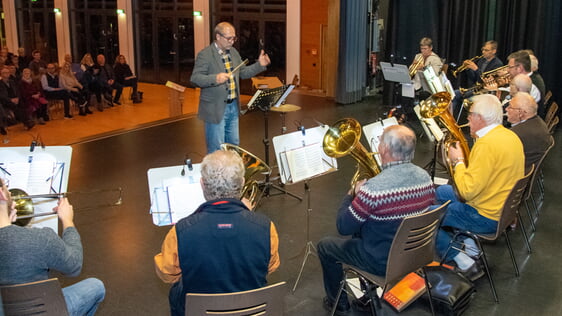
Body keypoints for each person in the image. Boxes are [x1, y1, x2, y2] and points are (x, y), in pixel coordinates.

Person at [317, 125, 436, 314]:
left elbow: (343, 226)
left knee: (325, 246)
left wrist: (351, 194)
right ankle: (367, 295)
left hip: (382, 261)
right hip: (416, 255)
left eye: (380, 142)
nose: (378, 146)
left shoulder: (373, 190)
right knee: (369, 225)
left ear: (385, 150)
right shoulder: (426, 178)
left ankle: (338, 306)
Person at [154, 149, 280, 316]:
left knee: (176, 292)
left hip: (201, 310)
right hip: (249, 308)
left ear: (202, 184)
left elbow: (167, 273)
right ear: (242, 182)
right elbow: (270, 267)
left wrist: (188, 227)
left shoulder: (180, 231)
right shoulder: (266, 226)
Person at [435, 94, 525, 279]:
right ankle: (468, 243)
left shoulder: (486, 144)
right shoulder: (511, 136)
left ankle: (463, 260)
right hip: (500, 208)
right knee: (440, 191)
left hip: (484, 216)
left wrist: (458, 161)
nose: (467, 118)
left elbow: (466, 192)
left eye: (470, 114)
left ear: (480, 118)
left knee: (424, 217)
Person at [0, 178, 106, 316]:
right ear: (1, 194)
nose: (9, 192)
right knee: (96, 287)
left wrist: (6, 220)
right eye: (6, 187)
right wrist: (67, 221)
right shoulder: (41, 238)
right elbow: (74, 266)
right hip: (41, 309)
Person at [191, 21, 271, 153]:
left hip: (233, 106)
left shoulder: (233, 52)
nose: (232, 41)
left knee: (234, 145)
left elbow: (243, 72)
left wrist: (260, 65)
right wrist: (215, 78)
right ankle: (215, 173)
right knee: (217, 148)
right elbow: (195, 79)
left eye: (234, 38)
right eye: (229, 38)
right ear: (218, 37)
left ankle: (231, 173)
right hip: (215, 108)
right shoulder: (205, 55)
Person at [506, 92, 552, 173]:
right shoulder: (538, 122)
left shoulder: (516, 134)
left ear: (521, 113)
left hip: (516, 176)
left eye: (510, 107)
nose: (506, 109)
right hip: (527, 168)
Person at [0, 65, 35, 130]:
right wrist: (11, 99)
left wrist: (17, 98)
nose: (7, 74)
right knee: (15, 107)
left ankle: (27, 122)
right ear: (1, 74)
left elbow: (18, 91)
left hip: (16, 99)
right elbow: (1, 96)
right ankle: (27, 122)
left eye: (8, 72)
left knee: (23, 103)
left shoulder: (12, 82)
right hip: (6, 101)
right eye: (4, 73)